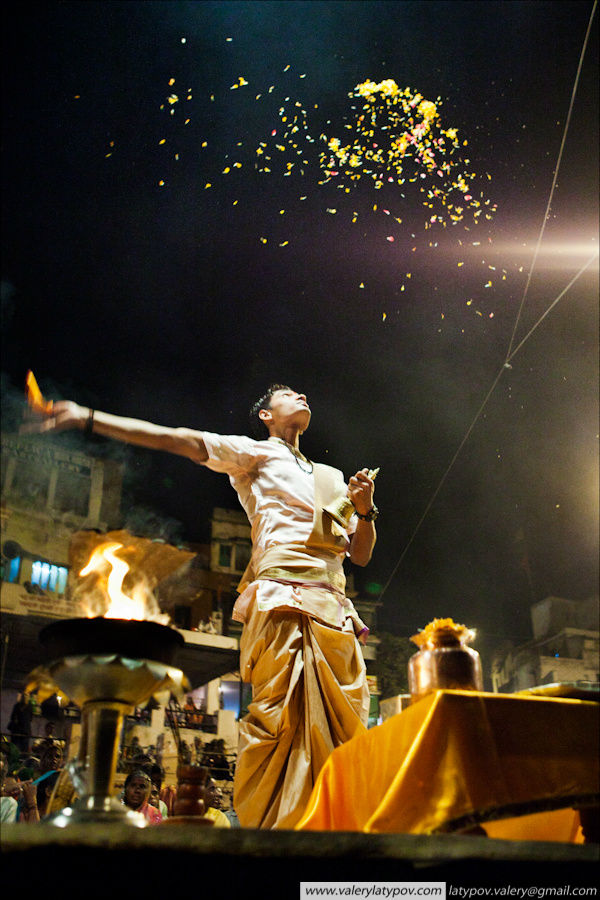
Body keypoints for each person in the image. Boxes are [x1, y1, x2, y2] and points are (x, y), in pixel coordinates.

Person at [22, 384, 377, 828]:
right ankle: (278, 839)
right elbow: (173, 438)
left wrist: (363, 511)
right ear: (266, 415)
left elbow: (359, 555)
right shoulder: (253, 453)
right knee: (281, 724)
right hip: (283, 603)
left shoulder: (331, 476)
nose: (303, 395)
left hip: (335, 614)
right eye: (288, 394)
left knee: (345, 733)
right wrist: (88, 416)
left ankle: (338, 833)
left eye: (303, 392)